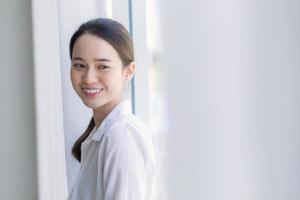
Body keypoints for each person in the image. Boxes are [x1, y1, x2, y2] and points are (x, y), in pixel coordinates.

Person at [67, 18, 157, 200]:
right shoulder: (103, 134)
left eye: (103, 66)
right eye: (79, 65)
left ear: (128, 71)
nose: (89, 78)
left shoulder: (120, 136)